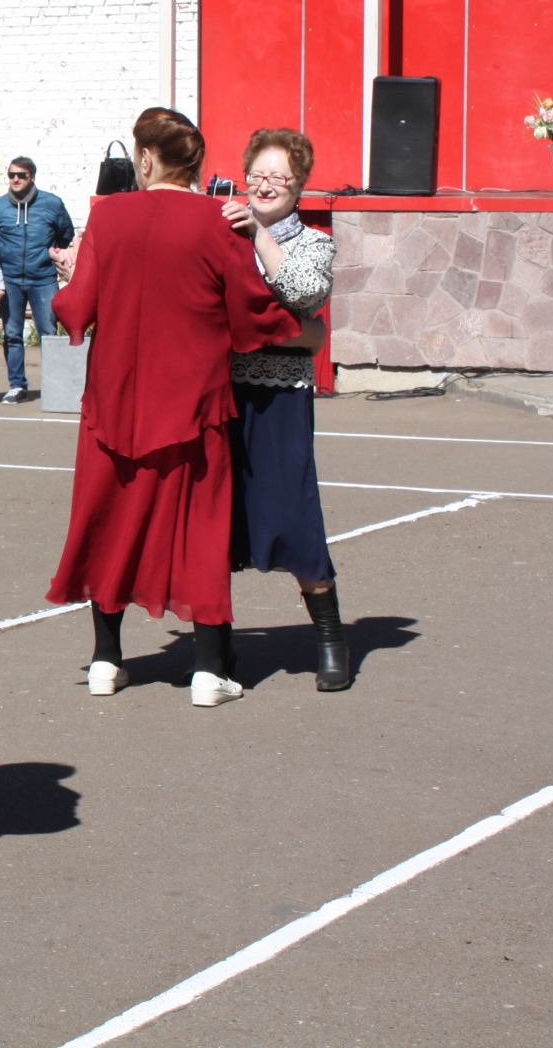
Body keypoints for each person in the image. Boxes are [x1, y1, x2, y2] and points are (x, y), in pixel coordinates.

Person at [45, 108, 304, 709]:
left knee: (106, 521)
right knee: (200, 533)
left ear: (144, 158)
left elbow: (77, 308)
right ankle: (209, 670)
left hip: (115, 403)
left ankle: (107, 660)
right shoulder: (218, 219)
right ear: (195, 163)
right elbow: (250, 309)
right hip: (195, 403)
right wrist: (299, 324)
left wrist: (70, 277)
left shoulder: (108, 216)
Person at [222, 128, 348, 691]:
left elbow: (306, 297)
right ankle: (216, 645)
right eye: (258, 175)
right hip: (222, 394)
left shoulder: (314, 242)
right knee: (218, 524)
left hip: (280, 400)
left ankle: (329, 637)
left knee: (296, 519)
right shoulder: (220, 231)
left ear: (300, 187)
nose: (267, 185)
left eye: (281, 177)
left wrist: (261, 239)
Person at [0, 156, 74, 404]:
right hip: (11, 281)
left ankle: (55, 385)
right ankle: (17, 385)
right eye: (11, 174)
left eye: (21, 175)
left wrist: (51, 254)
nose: (15, 179)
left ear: (32, 177)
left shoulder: (52, 204)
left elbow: (65, 233)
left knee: (48, 331)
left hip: (44, 279)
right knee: (12, 333)